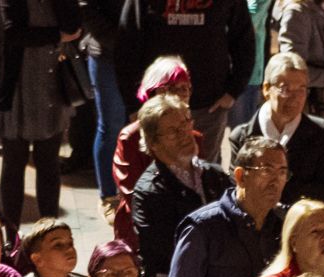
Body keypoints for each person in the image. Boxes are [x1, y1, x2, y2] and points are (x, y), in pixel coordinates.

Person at [166, 138, 290, 277]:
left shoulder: (283, 227)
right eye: (267, 170)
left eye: (282, 172)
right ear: (240, 176)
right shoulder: (203, 228)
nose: (276, 181)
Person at [109, 0, 254, 160]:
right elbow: (126, 47)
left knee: (205, 174)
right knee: (156, 173)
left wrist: (233, 90)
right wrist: (133, 105)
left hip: (208, 105)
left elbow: (244, 38)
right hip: (157, 107)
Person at [129, 94, 234, 277]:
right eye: (172, 131)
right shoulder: (149, 192)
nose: (185, 133)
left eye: (186, 123)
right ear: (153, 144)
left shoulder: (214, 175)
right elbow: (169, 250)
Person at [0, 0, 82, 234]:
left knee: (49, 163)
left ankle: (49, 233)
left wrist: (57, 34)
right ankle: (10, 236)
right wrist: (56, 35)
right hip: (18, 87)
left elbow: (74, 28)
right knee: (14, 163)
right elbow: (12, 33)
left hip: (51, 83)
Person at [228, 52, 324, 210]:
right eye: (285, 89)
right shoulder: (241, 137)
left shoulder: (318, 132)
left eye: (301, 90)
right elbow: (237, 193)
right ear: (267, 88)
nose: (295, 98)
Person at [113, 59, 207, 248]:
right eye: (175, 88)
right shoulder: (130, 138)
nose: (184, 94)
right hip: (143, 228)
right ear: (157, 91)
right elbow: (133, 194)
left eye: (186, 88)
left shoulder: (195, 138)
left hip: (188, 228)